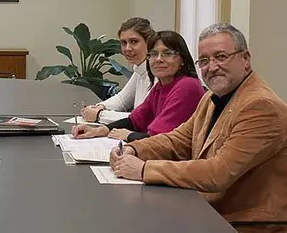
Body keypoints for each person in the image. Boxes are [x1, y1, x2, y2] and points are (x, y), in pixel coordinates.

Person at [110, 23, 287, 232]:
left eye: (221, 57)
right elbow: (179, 139)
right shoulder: (213, 97)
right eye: (204, 60)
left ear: (245, 59)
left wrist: (143, 169)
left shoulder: (261, 106)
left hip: (245, 223)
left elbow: (218, 172)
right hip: (208, 208)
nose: (211, 67)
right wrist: (134, 149)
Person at [72, 31, 205, 142]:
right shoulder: (161, 86)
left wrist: (129, 136)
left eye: (167, 53)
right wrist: (101, 130)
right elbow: (135, 120)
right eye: (153, 54)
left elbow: (160, 138)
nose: (158, 59)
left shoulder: (187, 86)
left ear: (182, 59)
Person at [81, 17, 155, 124]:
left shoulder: (158, 73)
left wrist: (99, 114)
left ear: (149, 42)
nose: (127, 48)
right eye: (124, 43)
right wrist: (99, 107)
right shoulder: (140, 70)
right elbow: (122, 100)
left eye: (134, 41)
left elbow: (143, 118)